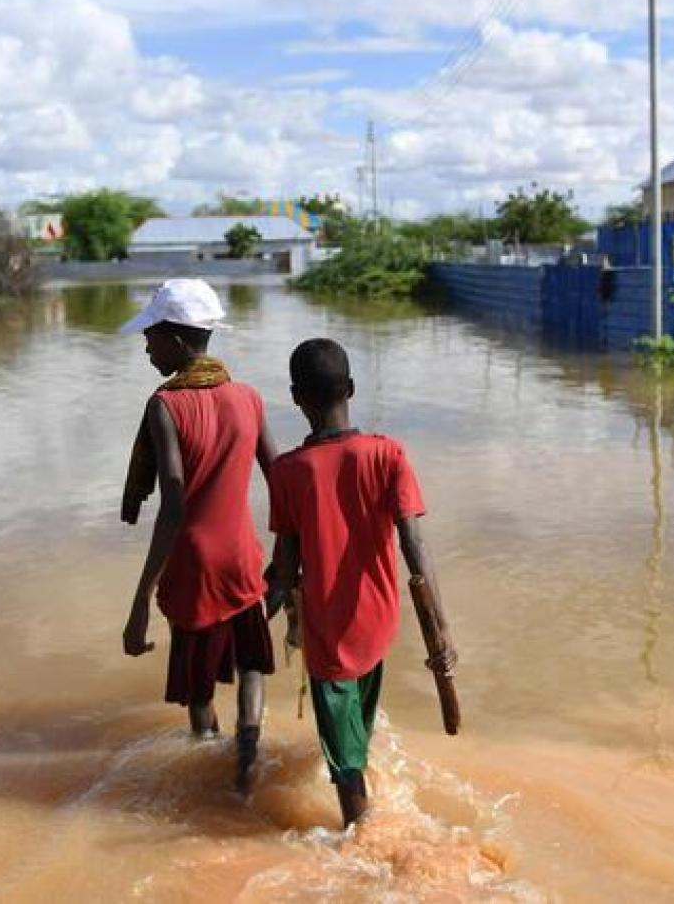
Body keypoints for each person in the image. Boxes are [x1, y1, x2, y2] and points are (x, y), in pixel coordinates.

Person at [264, 338, 457, 828]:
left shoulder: (288, 471)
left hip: (330, 635)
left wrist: (263, 609)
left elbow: (285, 566)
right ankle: (369, 816)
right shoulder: (388, 454)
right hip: (378, 623)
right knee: (357, 732)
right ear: (350, 388)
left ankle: (361, 839)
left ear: (296, 397)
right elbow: (416, 547)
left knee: (346, 765)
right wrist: (441, 632)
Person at [118, 278, 277, 792]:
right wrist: (292, 558)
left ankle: (209, 763)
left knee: (198, 687)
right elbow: (281, 478)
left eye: (151, 338)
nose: (146, 349)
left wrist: (141, 599)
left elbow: (173, 505)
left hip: (193, 567)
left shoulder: (164, 406)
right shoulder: (249, 398)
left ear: (176, 339)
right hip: (242, 557)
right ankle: (248, 748)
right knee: (251, 663)